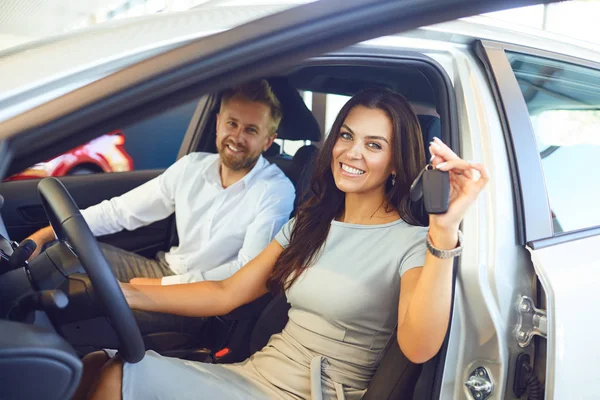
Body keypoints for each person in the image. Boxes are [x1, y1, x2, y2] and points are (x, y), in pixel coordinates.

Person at [77, 88, 488, 400]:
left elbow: (418, 348)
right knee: (96, 363)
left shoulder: (414, 244)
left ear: (397, 162)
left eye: (374, 144)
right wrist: (118, 294)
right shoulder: (310, 223)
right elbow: (226, 293)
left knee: (113, 378)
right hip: (254, 374)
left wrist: (444, 230)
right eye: (346, 135)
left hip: (307, 394)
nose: (352, 152)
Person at [25, 80, 296, 287]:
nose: (236, 137)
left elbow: (246, 270)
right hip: (161, 270)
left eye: (250, 130)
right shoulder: (192, 166)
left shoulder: (274, 190)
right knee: (60, 255)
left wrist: (162, 287)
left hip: (206, 298)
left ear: (267, 141)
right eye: (232, 123)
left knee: (82, 299)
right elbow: (120, 212)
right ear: (218, 123)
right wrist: (44, 234)